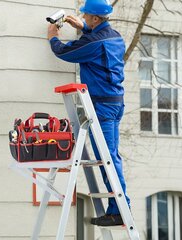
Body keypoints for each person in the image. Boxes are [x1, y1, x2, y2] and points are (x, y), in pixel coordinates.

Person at [47, 0, 130, 226]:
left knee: (108, 158)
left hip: (102, 106)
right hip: (115, 103)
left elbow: (66, 51)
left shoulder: (95, 42)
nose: (83, 19)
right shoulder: (115, 37)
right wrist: (83, 28)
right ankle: (118, 209)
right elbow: (96, 43)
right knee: (111, 155)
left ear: (95, 18)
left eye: (85, 17)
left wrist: (53, 36)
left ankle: (119, 211)